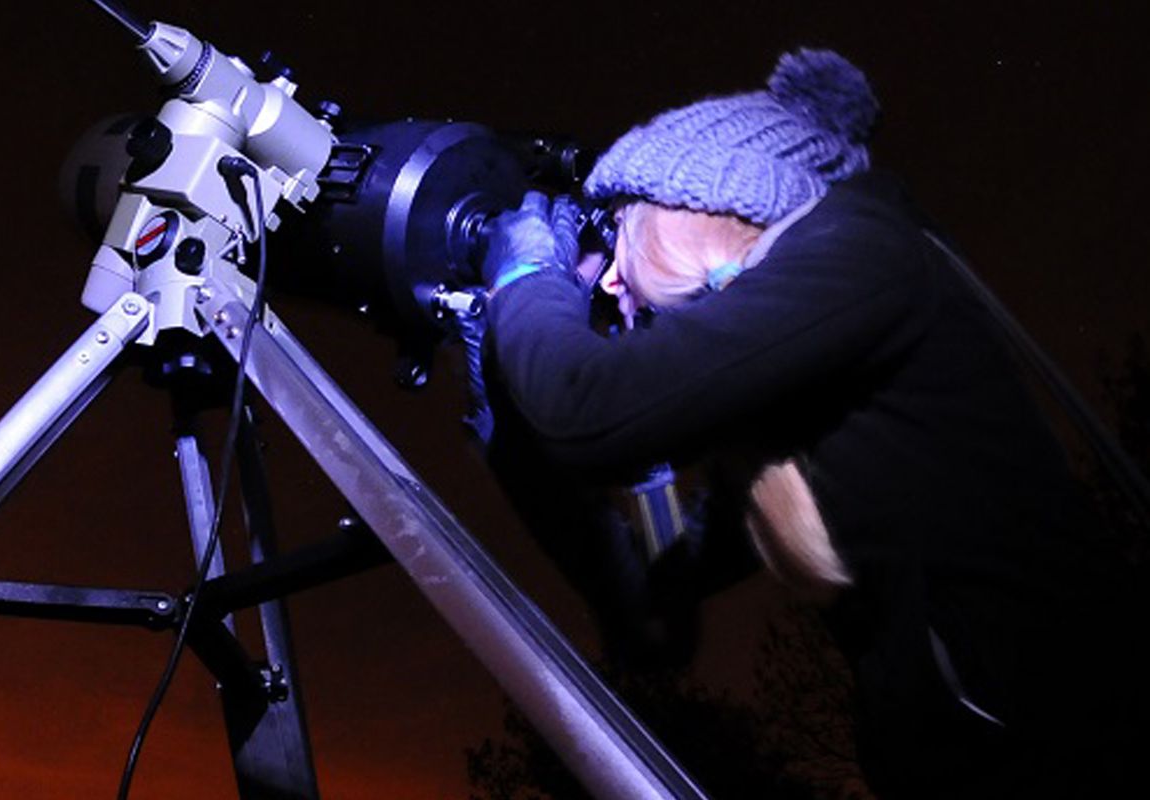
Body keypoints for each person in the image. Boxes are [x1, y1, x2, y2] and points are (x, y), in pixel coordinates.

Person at [478, 49, 1145, 796]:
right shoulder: (788, 404)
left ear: (687, 214)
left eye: (622, 229)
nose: (602, 275)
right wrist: (574, 452)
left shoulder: (866, 253)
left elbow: (582, 411)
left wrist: (524, 276)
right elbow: (655, 618)